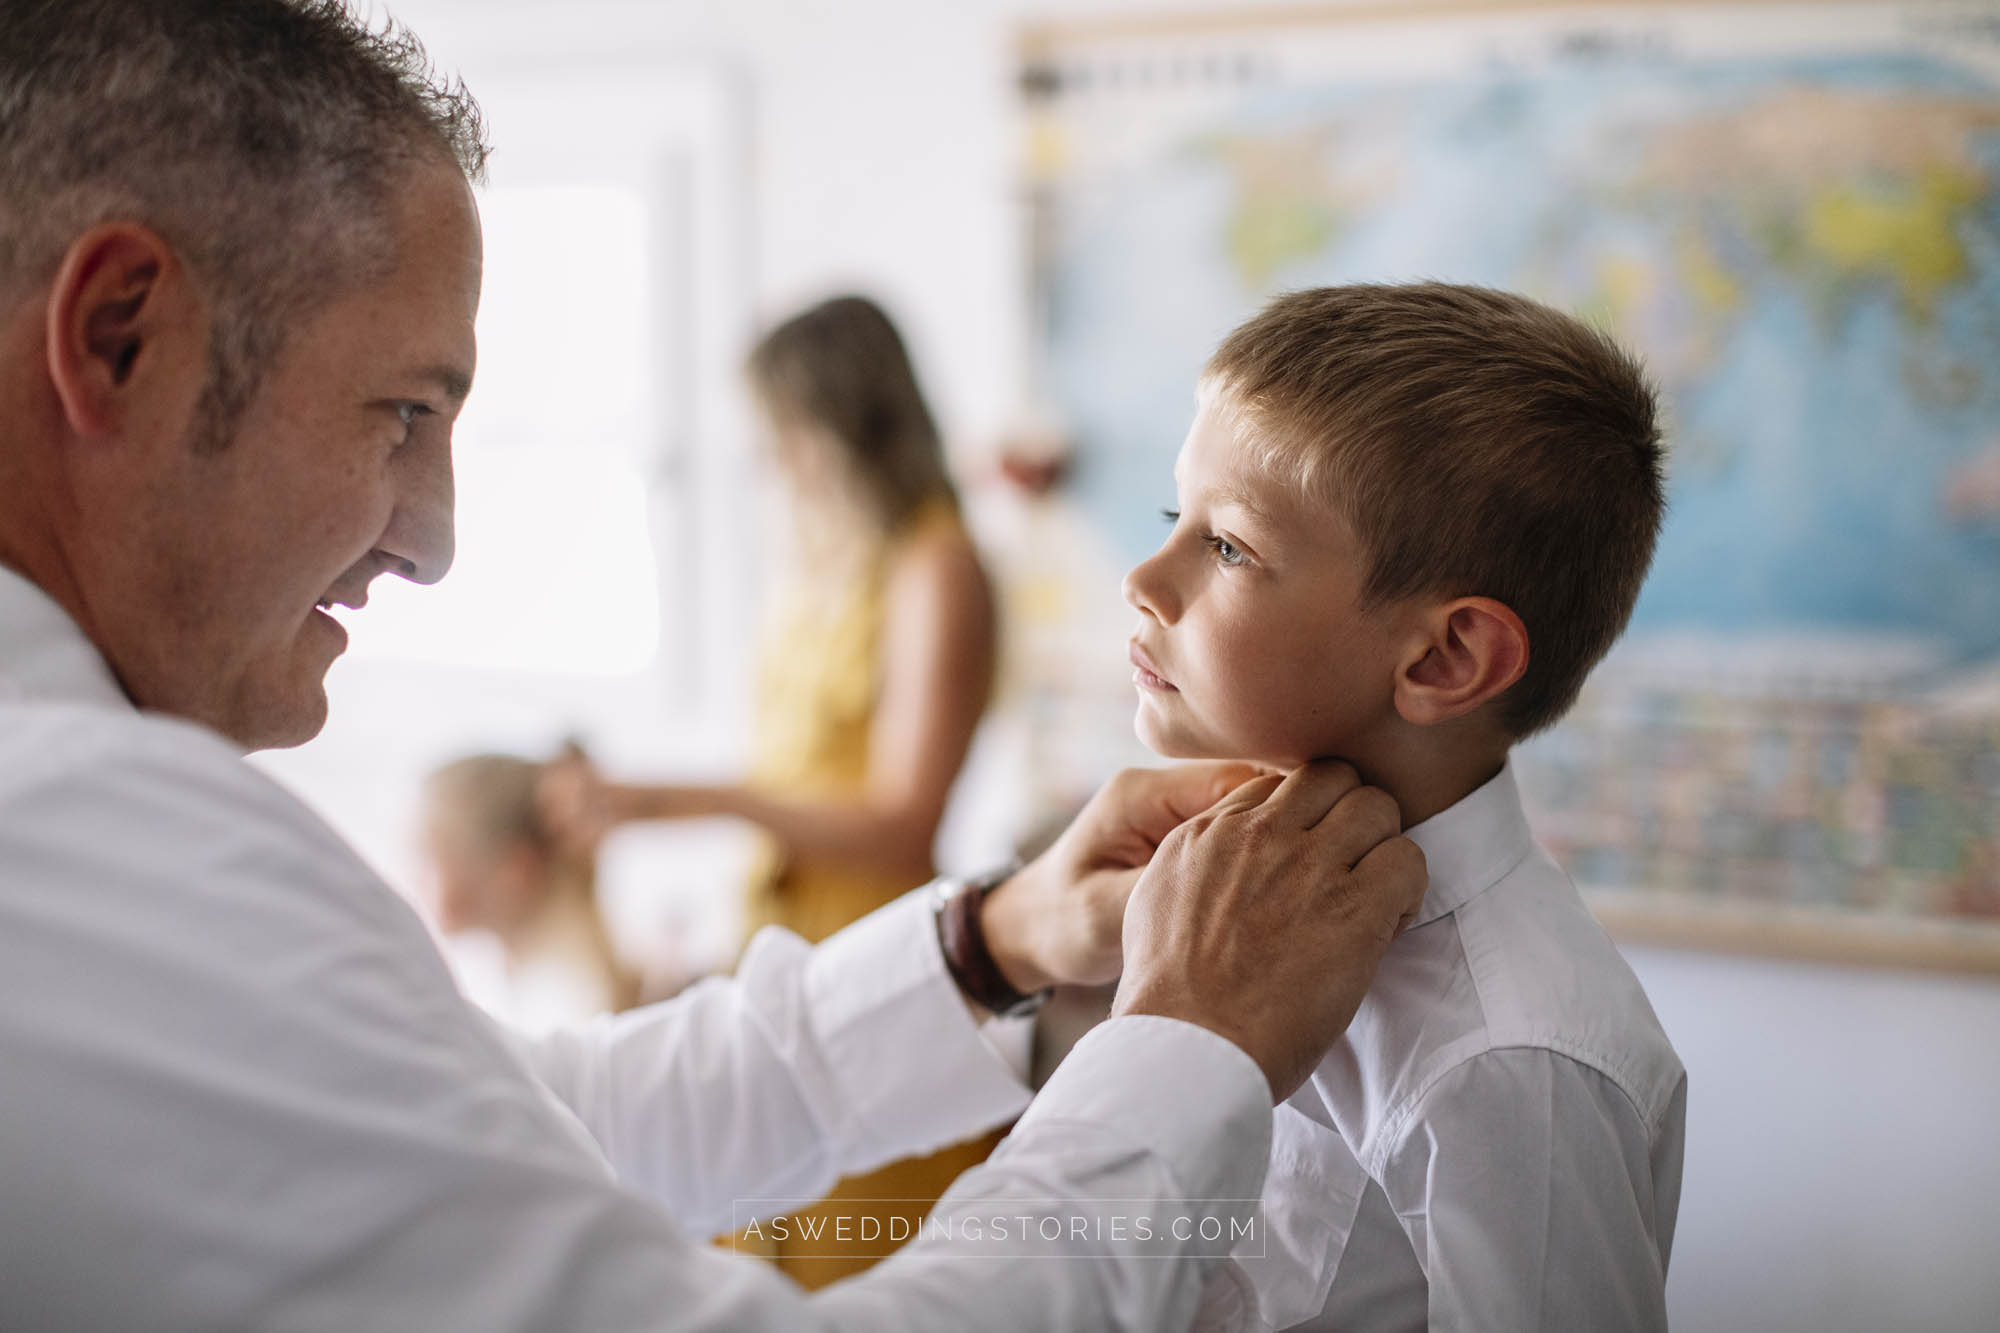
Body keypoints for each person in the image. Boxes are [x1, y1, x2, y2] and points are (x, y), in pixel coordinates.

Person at [0, 4, 1428, 1330]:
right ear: (121, 337)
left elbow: (534, 1121)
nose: (432, 541)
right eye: (401, 413)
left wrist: (989, 944)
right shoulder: (92, 855)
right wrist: (1186, 1045)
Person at [1116, 284, 1688, 1331]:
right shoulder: (1204, 898)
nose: (1143, 579)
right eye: (1172, 518)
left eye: (1228, 546)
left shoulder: (1511, 1060)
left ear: (1444, 657)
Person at [541, 294, 1007, 1284]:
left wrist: (690, 802)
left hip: (876, 943)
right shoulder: (823, 567)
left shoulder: (938, 567)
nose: (776, 462)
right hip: (783, 943)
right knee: (757, 1248)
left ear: (848, 420)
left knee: (855, 1266)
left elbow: (903, 818)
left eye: (787, 432)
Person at [423, 748, 676, 1030]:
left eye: (427, 859)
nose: (416, 879)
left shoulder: (568, 1003)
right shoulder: (540, 982)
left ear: (515, 870)